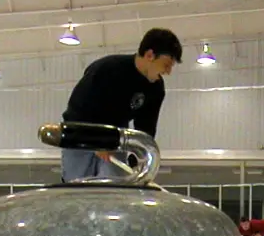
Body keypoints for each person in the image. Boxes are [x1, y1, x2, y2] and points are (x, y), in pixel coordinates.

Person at [60, 28, 183, 182]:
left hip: (114, 138)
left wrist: (137, 161)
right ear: (150, 55)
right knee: (77, 187)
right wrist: (95, 140)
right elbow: (78, 108)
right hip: (79, 134)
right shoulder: (107, 70)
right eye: (166, 65)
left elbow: (146, 129)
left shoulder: (155, 89)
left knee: (115, 186)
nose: (168, 72)